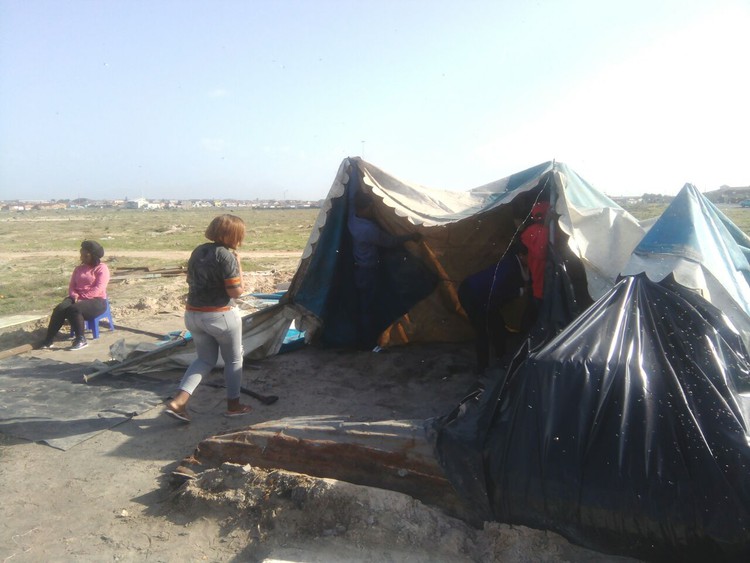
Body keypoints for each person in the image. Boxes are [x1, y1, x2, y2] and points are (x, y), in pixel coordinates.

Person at [165, 214, 251, 423]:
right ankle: (234, 406)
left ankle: (179, 401)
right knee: (233, 360)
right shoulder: (226, 256)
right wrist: (239, 265)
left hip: (193, 314)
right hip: (220, 315)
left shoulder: (198, 251)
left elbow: (190, 279)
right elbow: (236, 292)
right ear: (233, 235)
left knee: (204, 360)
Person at [348, 190, 421, 350]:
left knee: (363, 304)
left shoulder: (352, 220)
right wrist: (410, 236)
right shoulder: (368, 229)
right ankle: (369, 342)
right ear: (366, 208)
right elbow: (390, 242)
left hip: (359, 269)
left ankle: (361, 340)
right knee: (369, 305)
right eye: (370, 208)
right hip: (368, 270)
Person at [458, 242, 531, 373]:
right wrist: (519, 291)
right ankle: (483, 368)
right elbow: (497, 290)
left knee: (497, 326)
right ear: (521, 255)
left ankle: (501, 357)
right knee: (482, 331)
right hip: (471, 294)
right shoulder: (510, 267)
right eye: (529, 256)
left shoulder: (515, 264)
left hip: (484, 296)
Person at [40, 240, 110, 350]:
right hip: (77, 297)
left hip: (96, 301)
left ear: (90, 255)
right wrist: (74, 295)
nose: (80, 255)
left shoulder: (101, 268)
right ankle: (48, 340)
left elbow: (99, 288)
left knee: (75, 309)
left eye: (83, 253)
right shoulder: (78, 269)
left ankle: (81, 339)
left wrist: (83, 298)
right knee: (60, 308)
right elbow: (72, 286)